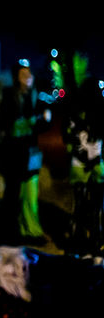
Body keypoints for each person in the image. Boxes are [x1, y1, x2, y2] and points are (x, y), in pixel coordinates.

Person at [0, 59, 51, 245]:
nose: (28, 77)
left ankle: (31, 231)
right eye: (23, 74)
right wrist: (29, 121)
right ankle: (11, 233)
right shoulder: (9, 95)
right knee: (12, 196)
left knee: (31, 195)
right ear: (16, 77)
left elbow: (43, 125)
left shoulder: (37, 97)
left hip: (31, 155)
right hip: (13, 156)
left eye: (29, 74)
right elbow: (3, 122)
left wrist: (42, 120)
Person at [63, 77, 104, 256]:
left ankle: (77, 242)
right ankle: (95, 242)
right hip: (97, 165)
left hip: (79, 165)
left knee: (79, 206)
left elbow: (67, 137)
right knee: (96, 207)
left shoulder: (74, 112)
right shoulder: (101, 110)